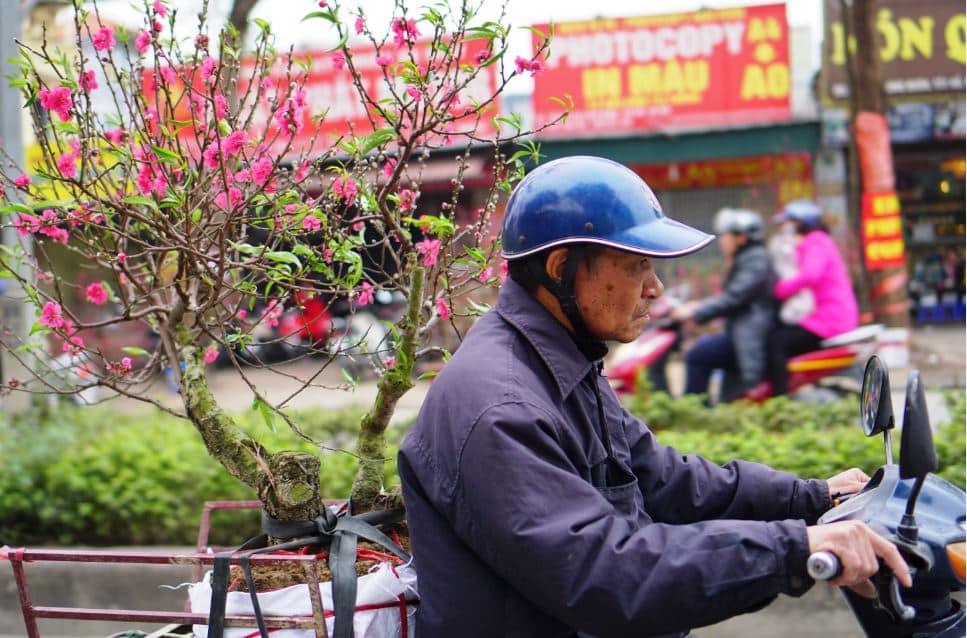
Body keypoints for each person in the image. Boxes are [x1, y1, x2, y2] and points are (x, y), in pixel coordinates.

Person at [398, 157, 910, 638]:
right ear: (561, 268)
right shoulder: (504, 407)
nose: (656, 288)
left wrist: (813, 498)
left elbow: (664, 478)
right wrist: (794, 550)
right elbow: (603, 572)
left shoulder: (560, 362)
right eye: (637, 265)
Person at [670, 208, 776, 402]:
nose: (722, 240)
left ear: (741, 238)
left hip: (749, 335)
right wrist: (698, 306)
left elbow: (735, 297)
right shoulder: (749, 259)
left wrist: (697, 311)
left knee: (697, 356)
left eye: (725, 235)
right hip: (741, 332)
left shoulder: (755, 260)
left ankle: (694, 412)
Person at [767, 200, 859, 396]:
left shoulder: (816, 240)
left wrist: (779, 290)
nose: (783, 228)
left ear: (799, 222)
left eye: (787, 222)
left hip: (829, 319)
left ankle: (779, 399)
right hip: (824, 316)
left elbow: (810, 274)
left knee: (777, 341)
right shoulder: (811, 242)